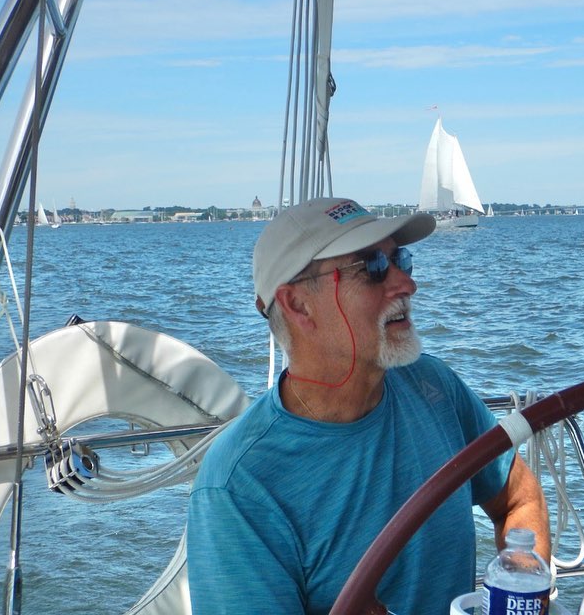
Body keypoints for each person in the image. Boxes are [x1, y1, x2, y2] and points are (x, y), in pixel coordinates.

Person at [187, 197, 550, 614]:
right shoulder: (240, 486)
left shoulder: (433, 386)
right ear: (298, 305)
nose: (407, 284)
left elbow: (520, 498)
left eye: (401, 260)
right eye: (373, 268)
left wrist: (520, 590)